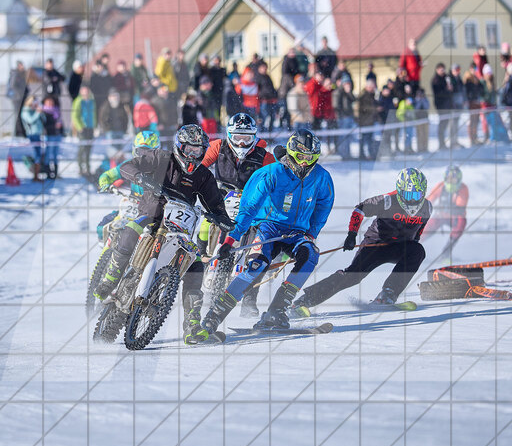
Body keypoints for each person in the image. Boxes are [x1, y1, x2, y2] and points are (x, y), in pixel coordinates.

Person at [94, 124, 233, 341]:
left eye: (198, 151)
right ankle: (111, 279)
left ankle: (192, 325)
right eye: (189, 149)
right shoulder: (160, 158)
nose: (193, 155)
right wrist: (140, 177)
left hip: (182, 227)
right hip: (152, 215)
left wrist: (222, 219)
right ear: (179, 146)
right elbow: (128, 166)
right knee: (131, 230)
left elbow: (215, 202)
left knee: (196, 264)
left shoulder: (203, 175)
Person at [192, 129, 333, 339]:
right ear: (292, 153)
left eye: (310, 158)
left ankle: (277, 310)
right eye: (301, 157)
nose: (305, 163)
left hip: (297, 233)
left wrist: (311, 233)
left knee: (311, 255)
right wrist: (232, 238)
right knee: (255, 267)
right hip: (269, 228)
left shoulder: (321, 177)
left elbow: (324, 205)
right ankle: (213, 318)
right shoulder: (271, 173)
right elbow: (248, 209)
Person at [292, 168, 431, 313]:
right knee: (353, 276)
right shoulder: (388, 201)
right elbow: (359, 209)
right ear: (400, 190)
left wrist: (412, 247)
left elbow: (418, 232)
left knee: (417, 251)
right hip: (375, 245)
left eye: (417, 194)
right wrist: (352, 234)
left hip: (399, 247)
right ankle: (304, 301)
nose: (413, 199)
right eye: (409, 194)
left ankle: (388, 293)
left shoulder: (427, 207)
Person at [199, 113, 277, 316]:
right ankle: (201, 256)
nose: (242, 143)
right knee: (206, 219)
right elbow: (201, 166)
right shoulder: (218, 147)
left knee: (259, 248)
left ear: (254, 137)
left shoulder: (264, 156)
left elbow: (275, 180)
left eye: (247, 138)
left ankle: (250, 300)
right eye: (237, 137)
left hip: (251, 202)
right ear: (229, 135)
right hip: (221, 195)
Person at [424, 165, 469, 258]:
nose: (451, 181)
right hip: (440, 216)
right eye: (449, 179)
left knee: (461, 222)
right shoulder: (440, 187)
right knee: (424, 230)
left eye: (454, 179)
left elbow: (459, 207)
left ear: (459, 179)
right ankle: (410, 247)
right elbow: (429, 200)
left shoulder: (463, 189)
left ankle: (446, 254)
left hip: (455, 218)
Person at [71, 85, 97, 179]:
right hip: (82, 128)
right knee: (82, 148)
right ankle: (80, 168)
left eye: (87, 91)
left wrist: (95, 126)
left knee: (89, 149)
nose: (86, 93)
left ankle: (88, 168)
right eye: (84, 91)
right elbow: (74, 115)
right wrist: (79, 127)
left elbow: (94, 114)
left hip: (90, 128)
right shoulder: (78, 101)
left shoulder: (91, 101)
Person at [430, 63, 453, 150]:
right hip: (441, 105)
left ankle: (444, 143)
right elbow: (438, 93)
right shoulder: (435, 80)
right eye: (441, 70)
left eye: (443, 69)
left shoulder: (446, 78)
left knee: (446, 124)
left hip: (448, 104)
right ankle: (441, 143)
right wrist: (447, 90)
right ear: (437, 70)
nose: (442, 71)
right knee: (442, 125)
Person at [42, 95, 63, 180]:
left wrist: (61, 130)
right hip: (49, 135)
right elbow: (44, 125)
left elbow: (61, 123)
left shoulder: (57, 111)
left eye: (51, 102)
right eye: (48, 102)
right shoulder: (43, 112)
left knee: (55, 155)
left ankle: (55, 173)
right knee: (48, 154)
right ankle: (48, 173)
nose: (50, 103)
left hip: (57, 135)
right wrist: (54, 126)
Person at [356, 80, 379, 160]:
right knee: (364, 140)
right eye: (372, 87)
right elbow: (363, 107)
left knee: (369, 139)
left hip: (370, 121)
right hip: (364, 121)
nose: (373, 89)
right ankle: (363, 155)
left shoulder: (372, 95)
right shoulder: (363, 96)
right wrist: (375, 109)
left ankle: (370, 155)